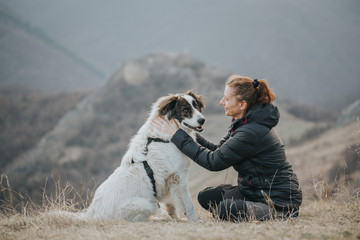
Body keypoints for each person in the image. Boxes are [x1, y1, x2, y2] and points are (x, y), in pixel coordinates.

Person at [151, 75, 302, 221]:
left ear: (242, 105)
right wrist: (187, 131)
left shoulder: (251, 132)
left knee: (226, 209)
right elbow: (219, 149)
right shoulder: (243, 123)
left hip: (278, 201)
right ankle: (250, 206)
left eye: (227, 98)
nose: (221, 101)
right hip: (254, 193)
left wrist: (177, 135)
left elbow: (214, 161)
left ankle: (283, 214)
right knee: (207, 197)